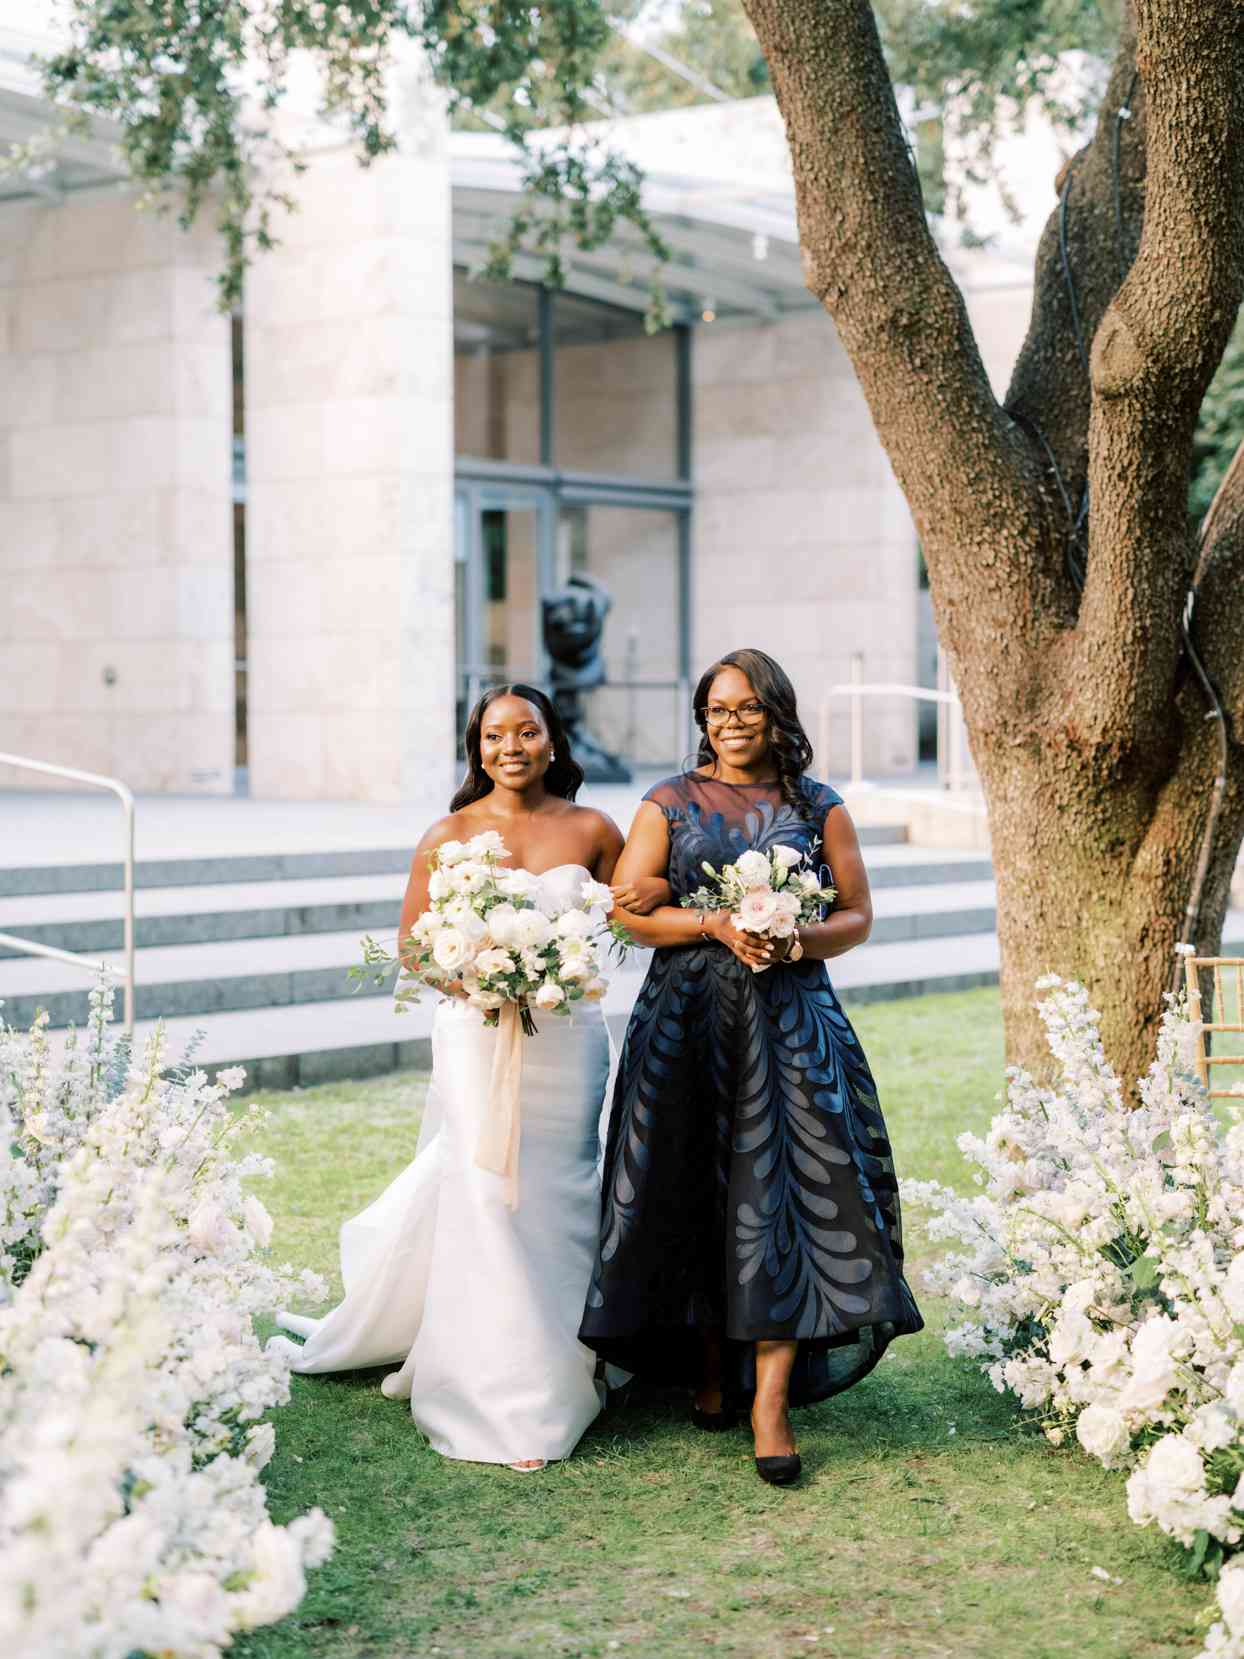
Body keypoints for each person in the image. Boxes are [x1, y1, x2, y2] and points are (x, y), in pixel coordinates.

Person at [272, 684, 664, 1471]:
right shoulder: (446, 834)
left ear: (554, 742)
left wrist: (646, 896)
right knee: (485, 1193)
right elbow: (413, 947)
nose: (510, 746)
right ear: (475, 746)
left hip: (566, 1039)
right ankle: (503, 1393)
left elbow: (630, 918)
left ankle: (576, 1352)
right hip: (472, 1037)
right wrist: (473, 976)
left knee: (560, 1191)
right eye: (493, 735)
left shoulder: (593, 827)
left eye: (527, 731)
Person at [580, 648, 923, 1486]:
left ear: (777, 714)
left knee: (789, 1195)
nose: (731, 723)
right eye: (717, 708)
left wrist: (793, 937)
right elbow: (632, 914)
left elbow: (859, 914)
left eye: (747, 709)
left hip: (793, 1020)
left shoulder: (820, 805)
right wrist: (717, 925)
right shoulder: (669, 800)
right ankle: (708, 1368)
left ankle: (769, 1401)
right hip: (687, 1019)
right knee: (693, 1183)